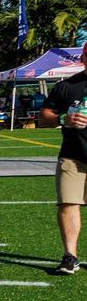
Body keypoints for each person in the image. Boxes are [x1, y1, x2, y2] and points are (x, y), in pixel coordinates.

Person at [38, 44, 87, 274]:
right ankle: (70, 256)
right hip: (73, 155)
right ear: (83, 57)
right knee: (68, 203)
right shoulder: (67, 85)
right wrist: (64, 119)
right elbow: (45, 116)